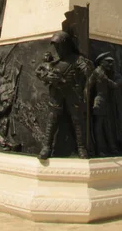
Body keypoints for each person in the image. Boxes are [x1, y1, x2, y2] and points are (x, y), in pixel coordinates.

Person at [37, 30, 93, 160]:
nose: (57, 48)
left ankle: (81, 148)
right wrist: (47, 76)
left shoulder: (77, 59)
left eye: (59, 45)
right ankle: (46, 147)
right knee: (52, 119)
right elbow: (40, 71)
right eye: (55, 46)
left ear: (66, 45)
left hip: (72, 93)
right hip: (56, 93)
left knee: (77, 120)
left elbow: (89, 74)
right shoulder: (54, 59)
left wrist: (86, 68)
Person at [86, 52, 122, 156]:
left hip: (107, 101)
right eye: (108, 62)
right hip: (99, 101)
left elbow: (120, 81)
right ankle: (100, 149)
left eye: (112, 62)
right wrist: (87, 102)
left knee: (108, 126)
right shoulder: (98, 72)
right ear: (101, 62)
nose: (111, 64)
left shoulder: (107, 72)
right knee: (99, 126)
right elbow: (89, 86)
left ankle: (112, 148)